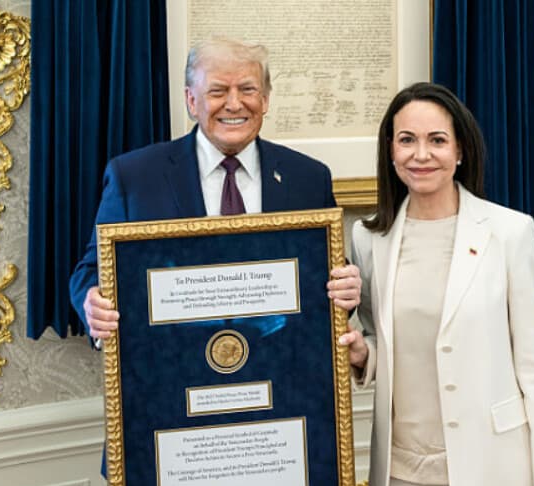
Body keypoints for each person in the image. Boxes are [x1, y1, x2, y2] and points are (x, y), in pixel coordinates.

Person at [337, 82, 534, 486]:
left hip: (496, 470)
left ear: (460, 149)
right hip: (404, 475)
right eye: (407, 140)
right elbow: (387, 343)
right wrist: (363, 354)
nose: (421, 154)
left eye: (437, 140)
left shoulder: (509, 232)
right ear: (390, 150)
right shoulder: (369, 238)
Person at [69, 37, 360, 337]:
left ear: (265, 99)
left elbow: (327, 276)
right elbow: (92, 271)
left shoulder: (309, 178)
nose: (234, 104)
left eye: (248, 89)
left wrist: (346, 289)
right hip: (172, 367)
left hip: (281, 367)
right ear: (192, 101)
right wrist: (92, 302)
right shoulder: (134, 178)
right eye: (218, 91)